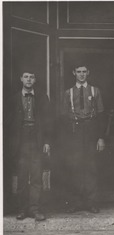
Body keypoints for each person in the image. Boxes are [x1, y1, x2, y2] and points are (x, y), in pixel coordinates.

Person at [6, 69, 52, 221]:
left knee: (37, 176)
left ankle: (35, 209)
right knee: (22, 175)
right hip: (21, 140)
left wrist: (46, 141)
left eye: (32, 77)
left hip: (37, 139)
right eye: (26, 77)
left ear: (35, 80)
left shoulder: (42, 98)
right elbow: (8, 124)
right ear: (21, 79)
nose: (28, 80)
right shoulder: (13, 99)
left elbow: (47, 121)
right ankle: (22, 209)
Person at [61, 63, 106, 213]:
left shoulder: (95, 90)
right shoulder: (68, 92)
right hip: (75, 131)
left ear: (88, 73)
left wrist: (100, 137)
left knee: (91, 167)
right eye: (79, 71)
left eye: (84, 72)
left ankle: (91, 202)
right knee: (75, 167)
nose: (81, 74)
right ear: (74, 73)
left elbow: (101, 116)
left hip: (91, 129)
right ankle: (76, 202)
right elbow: (64, 116)